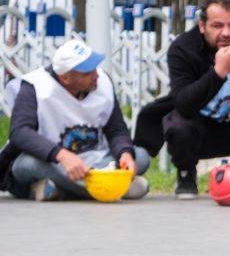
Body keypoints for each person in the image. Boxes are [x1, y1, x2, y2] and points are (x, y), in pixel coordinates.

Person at [134, 0, 230, 199]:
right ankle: (186, 175)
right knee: (176, 120)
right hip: (201, 131)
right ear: (202, 26)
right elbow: (183, 102)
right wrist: (219, 72)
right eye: (217, 25)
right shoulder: (182, 48)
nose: (226, 33)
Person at [0, 39, 150, 201]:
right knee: (26, 165)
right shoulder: (34, 87)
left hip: (94, 160)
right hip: (52, 161)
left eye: (95, 68)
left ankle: (56, 189)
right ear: (65, 78)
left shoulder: (102, 81)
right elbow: (20, 133)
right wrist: (62, 155)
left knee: (140, 157)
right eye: (87, 73)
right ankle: (110, 190)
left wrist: (124, 153)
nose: (96, 75)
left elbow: (116, 130)